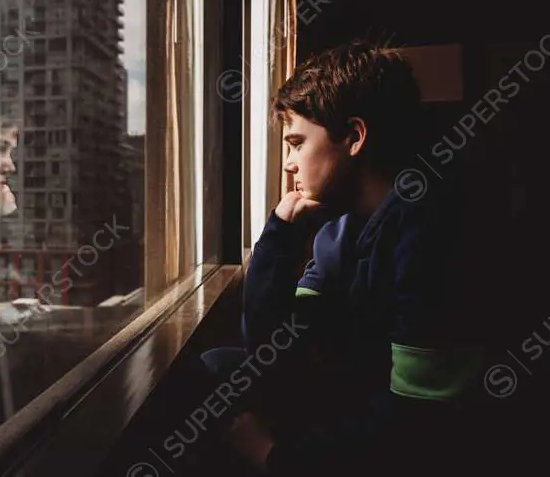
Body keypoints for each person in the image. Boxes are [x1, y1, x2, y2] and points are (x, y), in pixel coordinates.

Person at [203, 41, 494, 477]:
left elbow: (423, 420)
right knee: (218, 365)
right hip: (356, 400)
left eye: (296, 143)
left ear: (355, 137)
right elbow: (272, 345)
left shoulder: (430, 227)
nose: (288, 164)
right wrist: (280, 233)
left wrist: (273, 456)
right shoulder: (342, 227)